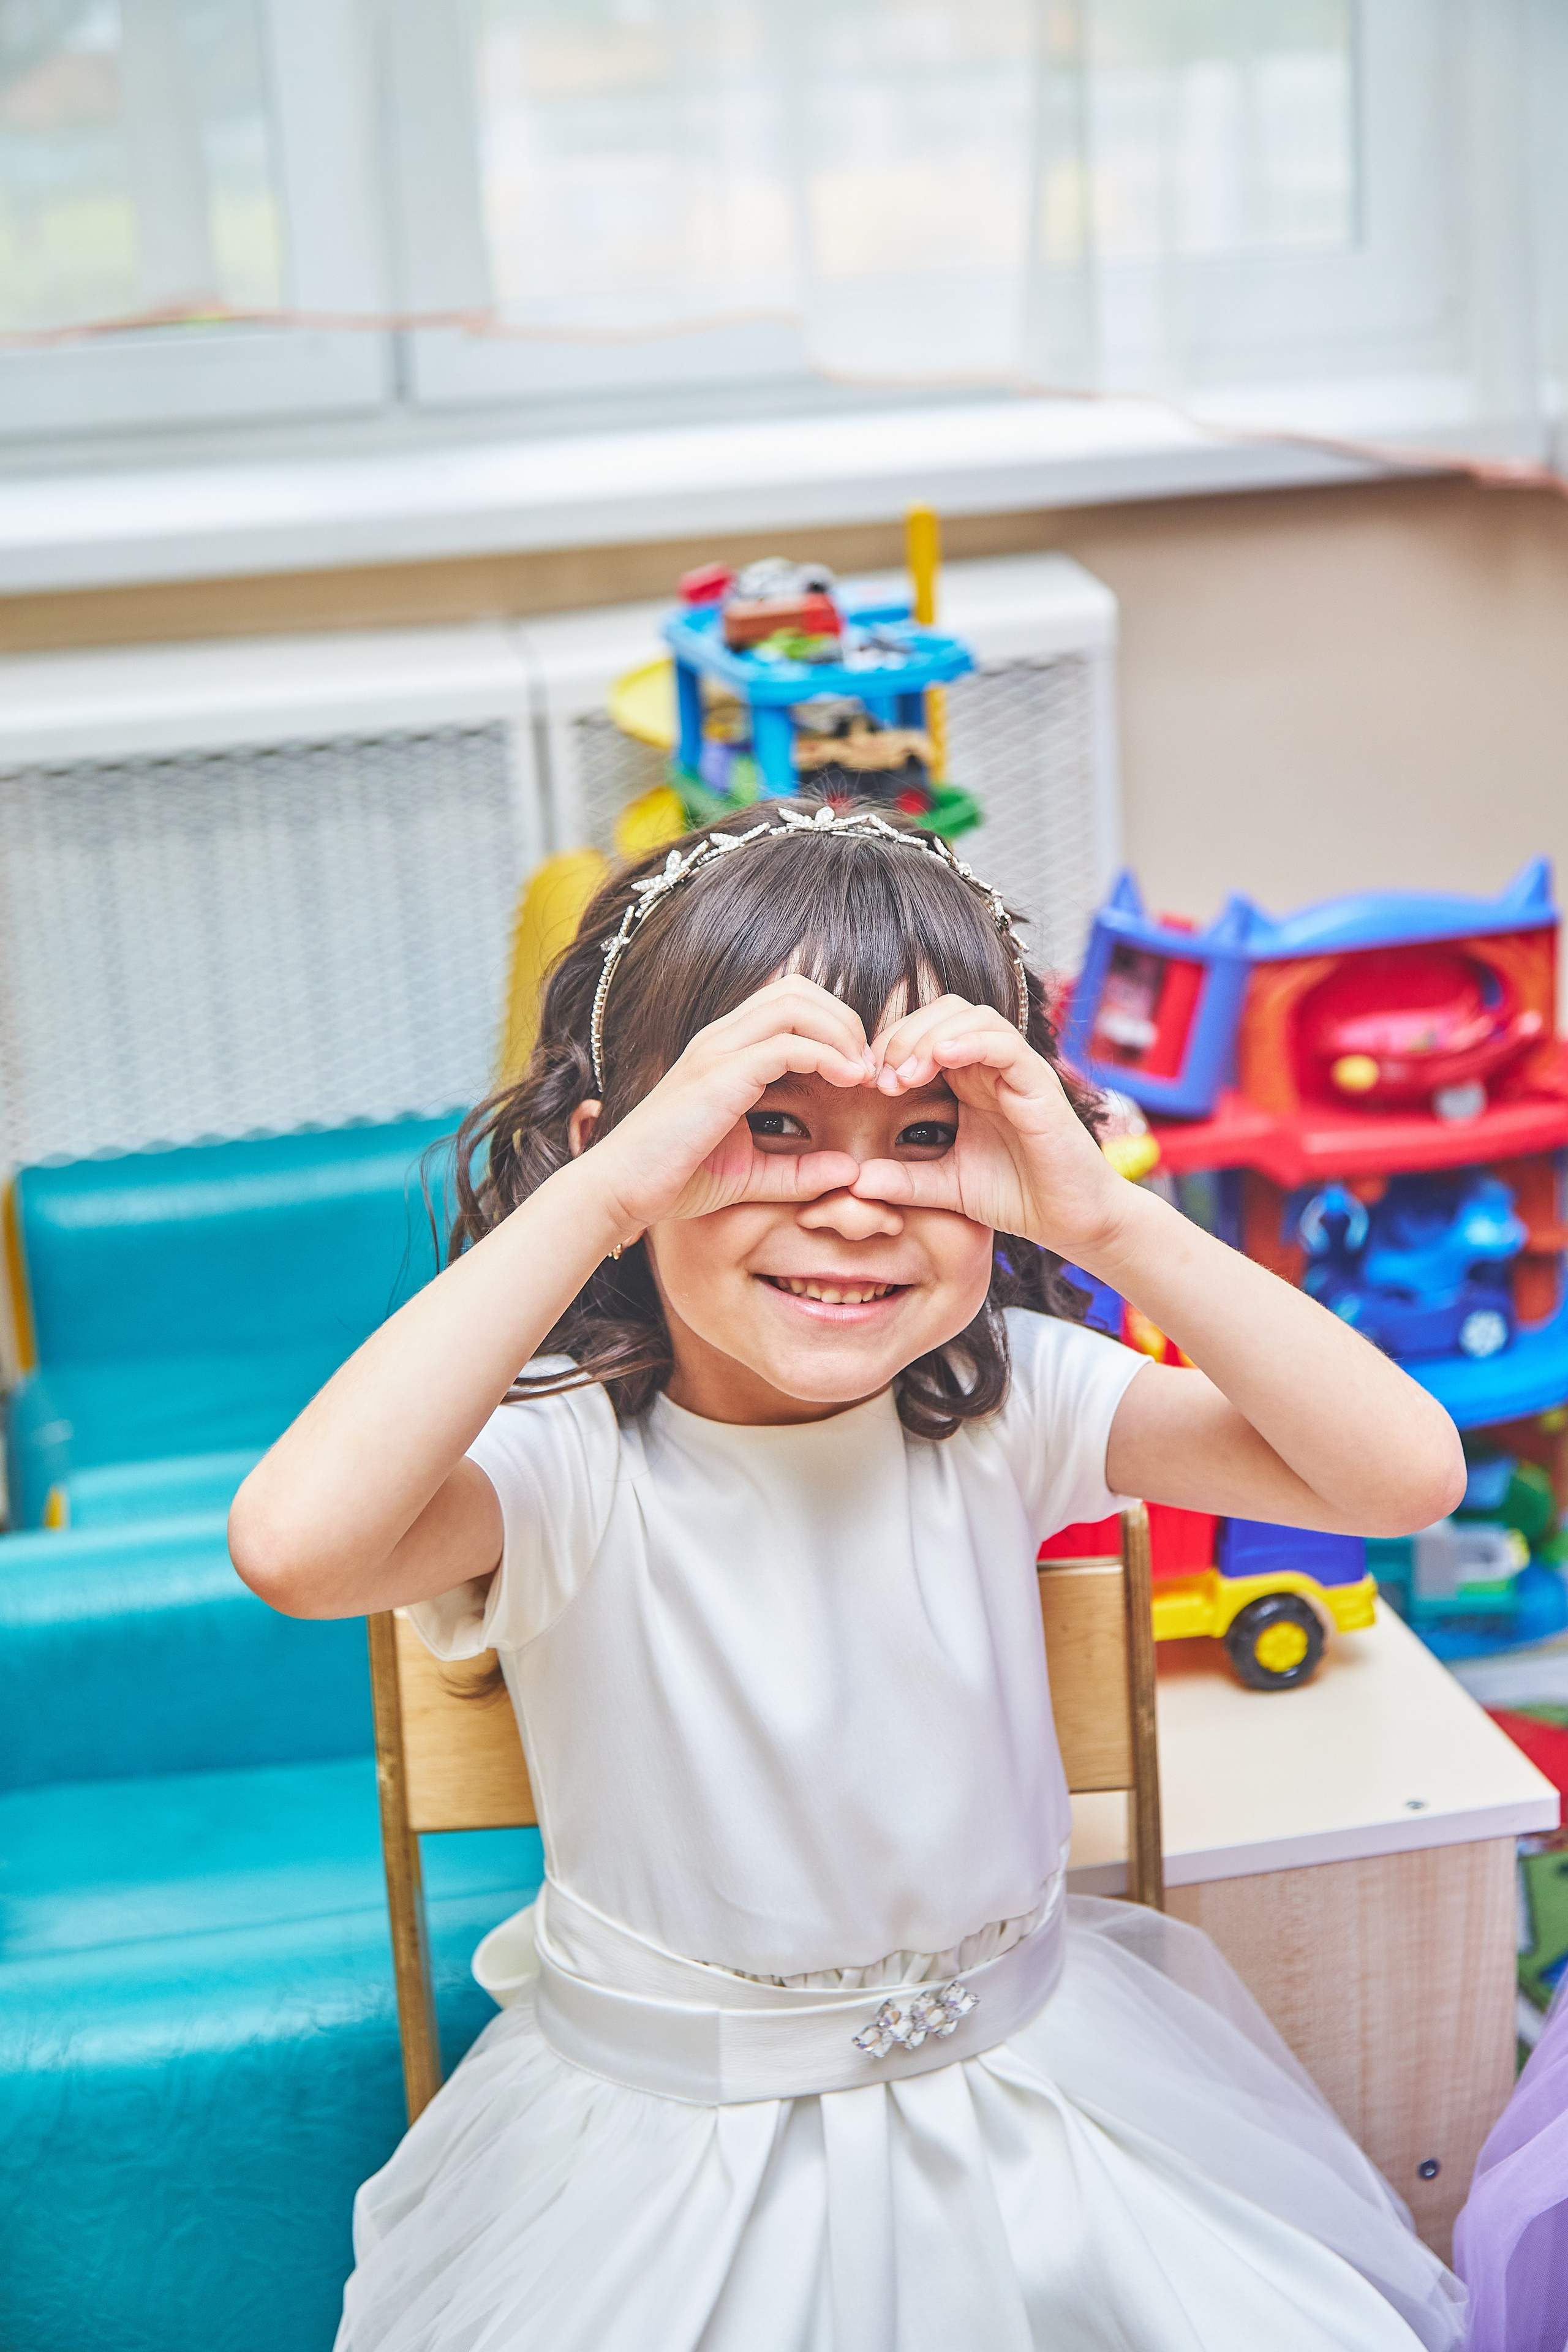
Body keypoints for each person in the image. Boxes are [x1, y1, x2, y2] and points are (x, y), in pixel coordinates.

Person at [231, 801, 1470, 2352]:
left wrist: (1098, 1212)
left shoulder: (1008, 1394)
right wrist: (604, 1193)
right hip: (660, 2184)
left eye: (926, 1135)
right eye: (771, 1122)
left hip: (1048, 2134)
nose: (858, 1198)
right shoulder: (568, 1457)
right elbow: (293, 1548)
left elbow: (1398, 1478)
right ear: (621, 1139)